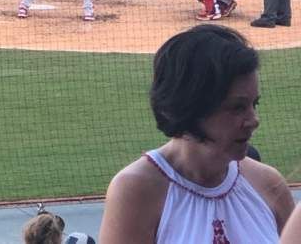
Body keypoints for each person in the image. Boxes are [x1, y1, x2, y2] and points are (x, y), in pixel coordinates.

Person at [98, 25, 294, 244]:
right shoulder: (136, 191)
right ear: (193, 107)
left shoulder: (269, 184)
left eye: (253, 104)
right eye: (237, 107)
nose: (253, 120)